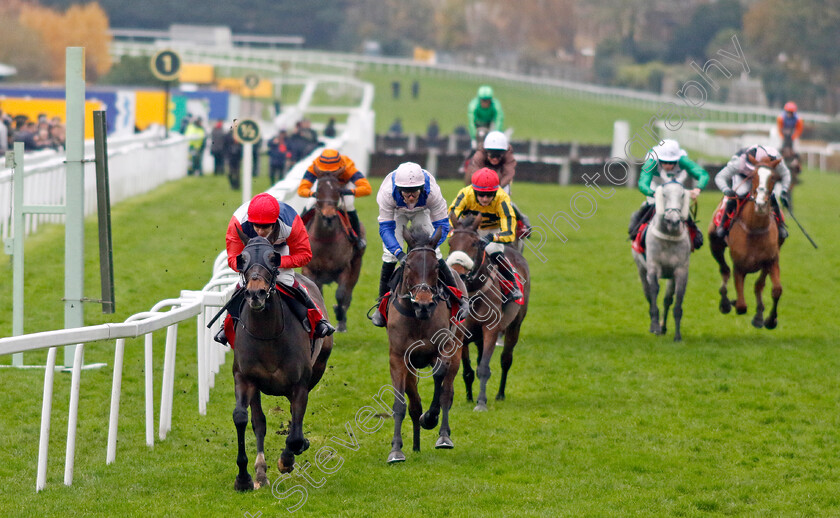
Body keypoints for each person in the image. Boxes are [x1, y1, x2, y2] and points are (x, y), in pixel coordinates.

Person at [215, 192, 335, 346]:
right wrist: (250, 266)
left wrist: (277, 262)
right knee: (243, 285)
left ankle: (319, 320)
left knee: (287, 279)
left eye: (265, 227)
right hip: (251, 253)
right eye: (256, 226)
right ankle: (226, 326)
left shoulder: (291, 222)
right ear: (250, 221)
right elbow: (233, 258)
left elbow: (304, 255)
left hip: (278, 250)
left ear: (275, 222)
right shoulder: (238, 222)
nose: (260, 231)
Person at [371, 162, 464, 327]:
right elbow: (386, 229)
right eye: (406, 192)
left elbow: (442, 225)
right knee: (389, 255)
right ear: (399, 190)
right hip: (396, 213)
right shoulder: (387, 194)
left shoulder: (432, 193)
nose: (411, 196)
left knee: (436, 254)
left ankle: (458, 299)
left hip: (422, 211)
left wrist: (430, 247)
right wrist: (399, 253)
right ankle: (381, 307)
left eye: (414, 192)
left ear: (422, 187)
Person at [449, 168, 522, 302]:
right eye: (481, 194)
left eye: (489, 195)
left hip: (492, 229)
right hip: (469, 229)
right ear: (474, 190)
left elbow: (510, 233)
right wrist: (454, 233)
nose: (485, 199)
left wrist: (493, 238)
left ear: (496, 192)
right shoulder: (465, 194)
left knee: (493, 250)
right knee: (455, 251)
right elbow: (452, 214)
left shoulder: (502, 198)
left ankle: (513, 285)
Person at [628, 139, 708, 250]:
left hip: (675, 184)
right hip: (656, 184)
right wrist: (653, 193)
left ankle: (694, 234)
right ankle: (635, 230)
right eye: (664, 161)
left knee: (680, 207)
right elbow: (642, 183)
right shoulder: (651, 161)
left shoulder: (683, 160)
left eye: (671, 162)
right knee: (652, 204)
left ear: (677, 159)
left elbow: (702, 174)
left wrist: (698, 189)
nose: (667, 165)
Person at [713, 144, 792, 243]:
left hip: (763, 176)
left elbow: (786, 174)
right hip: (743, 176)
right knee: (739, 193)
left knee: (771, 196)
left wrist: (784, 191)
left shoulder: (776, 158)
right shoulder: (739, 162)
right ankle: (723, 226)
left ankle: (780, 226)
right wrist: (726, 190)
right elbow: (720, 177)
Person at [297, 149, 372, 250]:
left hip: (343, 188)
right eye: (324, 171)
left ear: (340, 167)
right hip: (324, 188)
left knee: (349, 205)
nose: (329, 174)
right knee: (309, 204)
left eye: (333, 172)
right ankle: (297, 236)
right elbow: (301, 189)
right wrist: (313, 194)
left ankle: (357, 238)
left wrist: (348, 192)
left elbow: (367, 188)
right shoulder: (314, 166)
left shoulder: (348, 167)